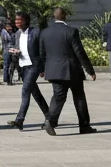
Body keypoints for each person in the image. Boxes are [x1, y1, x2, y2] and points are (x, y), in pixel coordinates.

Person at [38, 7, 96, 136]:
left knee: (58, 97)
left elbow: (41, 53)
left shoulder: (45, 32)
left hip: (53, 71)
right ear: (64, 16)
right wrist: (89, 69)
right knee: (79, 97)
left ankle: (50, 120)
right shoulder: (71, 31)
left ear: (54, 16)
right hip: (72, 70)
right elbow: (79, 52)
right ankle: (84, 125)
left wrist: (43, 70)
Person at [6, 11, 50, 131]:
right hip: (23, 65)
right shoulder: (16, 34)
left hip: (34, 65)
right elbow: (11, 46)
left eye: (20, 20)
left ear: (26, 20)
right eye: (16, 20)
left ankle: (20, 120)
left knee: (25, 91)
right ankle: (50, 116)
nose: (17, 22)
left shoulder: (35, 32)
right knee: (35, 93)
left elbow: (43, 50)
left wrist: (44, 67)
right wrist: (14, 51)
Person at [0, 19, 18, 85]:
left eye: (10, 26)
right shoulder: (4, 32)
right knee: (6, 66)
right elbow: (6, 40)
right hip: (6, 51)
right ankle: (6, 79)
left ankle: (10, 79)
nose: (10, 27)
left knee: (12, 66)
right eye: (8, 26)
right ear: (5, 26)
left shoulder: (12, 33)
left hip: (12, 51)